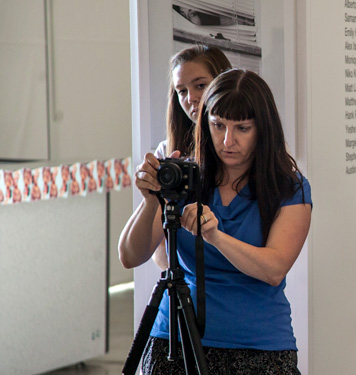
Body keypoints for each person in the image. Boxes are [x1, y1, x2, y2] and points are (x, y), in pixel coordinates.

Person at [118, 69, 311, 374]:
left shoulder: (289, 187)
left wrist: (216, 237)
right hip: (174, 339)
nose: (227, 140)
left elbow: (274, 269)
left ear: (264, 129)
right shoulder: (186, 177)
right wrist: (150, 200)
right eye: (218, 125)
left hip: (258, 345)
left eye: (242, 128)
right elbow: (130, 256)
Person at [150, 44, 232, 270]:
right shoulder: (167, 153)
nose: (191, 98)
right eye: (182, 91)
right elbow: (156, 249)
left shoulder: (240, 151)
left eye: (201, 86)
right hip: (185, 284)